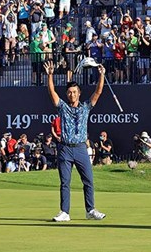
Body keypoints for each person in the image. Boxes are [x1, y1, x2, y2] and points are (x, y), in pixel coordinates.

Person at [44, 59, 106, 222]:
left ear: (79, 93)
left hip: (80, 149)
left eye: (74, 92)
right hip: (65, 148)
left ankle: (90, 210)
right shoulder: (63, 107)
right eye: (69, 92)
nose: (72, 94)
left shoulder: (85, 107)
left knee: (89, 181)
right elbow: (52, 93)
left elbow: (98, 93)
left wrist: (101, 76)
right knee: (65, 182)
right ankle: (64, 212)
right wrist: (50, 75)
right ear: (67, 94)